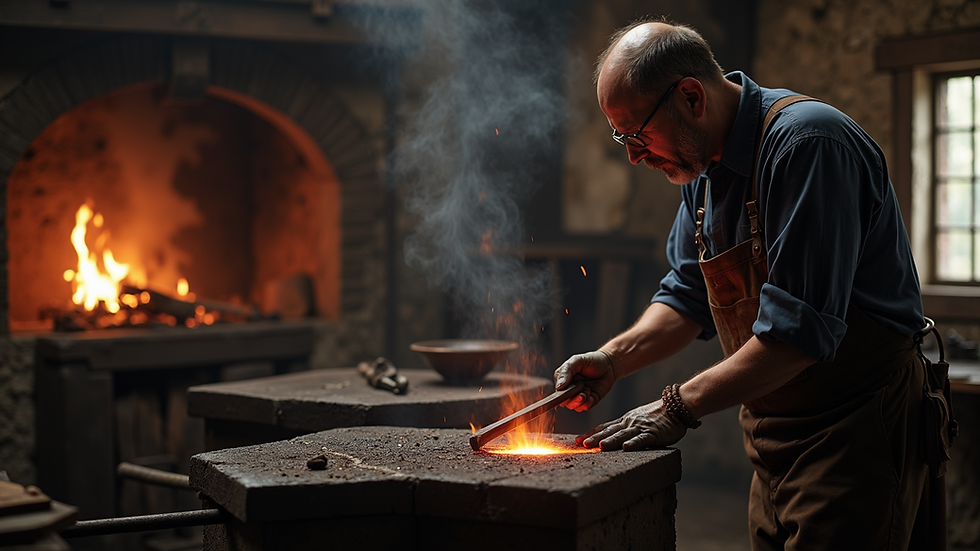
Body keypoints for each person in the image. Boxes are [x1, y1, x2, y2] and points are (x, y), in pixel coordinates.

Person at [554, 17, 944, 550]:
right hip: (770, 438)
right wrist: (614, 358)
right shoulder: (702, 172)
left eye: (638, 134)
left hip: (858, 427)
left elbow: (798, 335)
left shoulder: (807, 145)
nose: (633, 155)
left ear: (691, 97)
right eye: (621, 137)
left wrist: (675, 406)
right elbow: (687, 297)